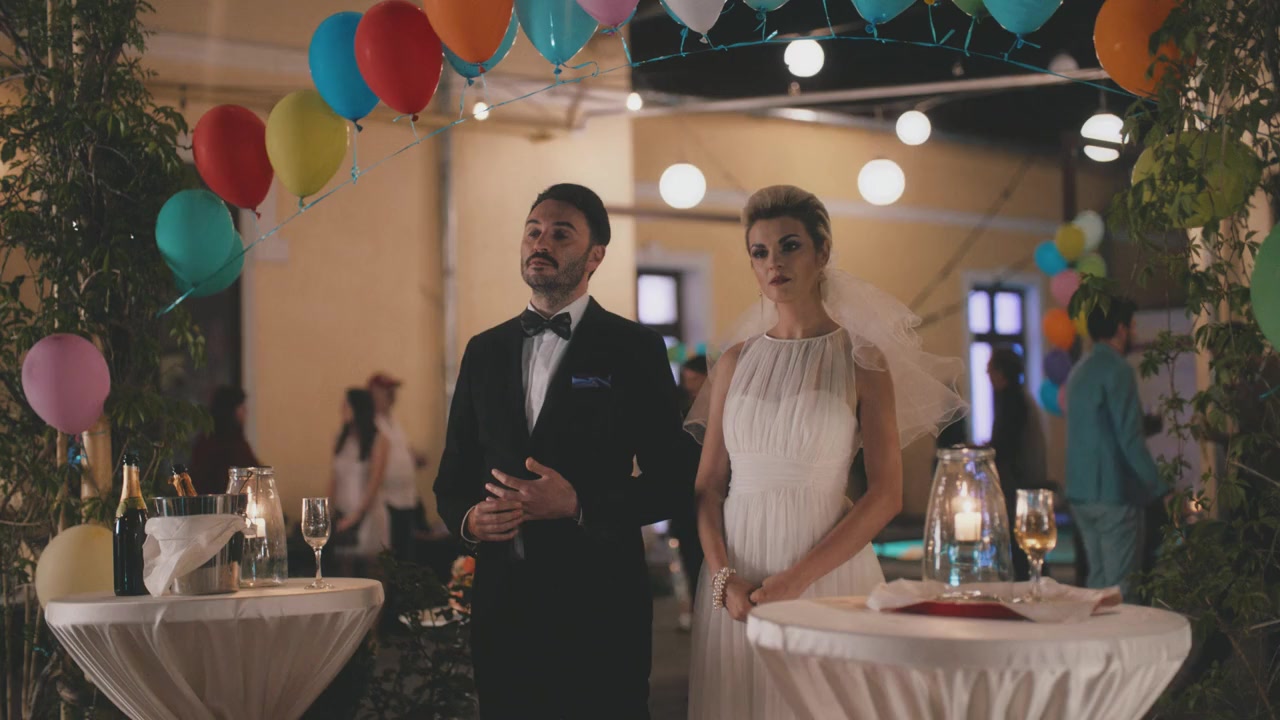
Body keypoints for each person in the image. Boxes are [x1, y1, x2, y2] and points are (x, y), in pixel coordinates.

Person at [686, 186, 966, 719]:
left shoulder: (862, 360)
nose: (774, 263)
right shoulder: (734, 362)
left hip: (826, 573)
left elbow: (886, 494)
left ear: (823, 253)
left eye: (789, 246)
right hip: (735, 578)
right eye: (760, 252)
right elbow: (708, 485)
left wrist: (797, 579)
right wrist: (724, 579)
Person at [433, 183, 695, 719]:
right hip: (504, 604)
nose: (541, 242)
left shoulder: (635, 348)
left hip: (600, 604)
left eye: (560, 234)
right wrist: (471, 520)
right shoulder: (484, 351)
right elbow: (451, 479)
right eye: (533, 231)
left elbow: (672, 481)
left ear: (595, 255)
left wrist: (579, 504)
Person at [1065, 297, 1166, 600]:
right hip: (1113, 492)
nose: (1134, 332)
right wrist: (1161, 487)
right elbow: (1129, 439)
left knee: (1097, 584)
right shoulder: (1118, 370)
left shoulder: (1079, 371)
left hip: (1080, 493)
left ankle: (1094, 634)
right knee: (1122, 590)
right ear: (1121, 329)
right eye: (1132, 326)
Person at [986, 347, 1048, 581]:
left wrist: (985, 451)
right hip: (1023, 482)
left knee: (1023, 546)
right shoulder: (1018, 397)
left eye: (990, 370)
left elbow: (1006, 444)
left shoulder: (1013, 400)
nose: (987, 375)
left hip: (1019, 485)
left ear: (1001, 373)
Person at [365, 372, 425, 563]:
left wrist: (413, 458)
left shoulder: (393, 422)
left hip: (407, 499)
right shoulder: (371, 424)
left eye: (393, 390)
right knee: (392, 557)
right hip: (388, 501)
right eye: (387, 390)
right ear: (374, 393)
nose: (392, 394)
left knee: (406, 556)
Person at [329, 388, 390, 573]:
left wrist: (356, 516)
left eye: (346, 405)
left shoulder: (378, 439)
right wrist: (328, 511)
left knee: (373, 571)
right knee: (344, 569)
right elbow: (334, 479)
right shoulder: (342, 439)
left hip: (368, 513)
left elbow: (375, 481)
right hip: (343, 512)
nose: (342, 410)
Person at [671, 355, 709, 606]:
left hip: (712, 488)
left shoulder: (720, 407)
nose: (690, 385)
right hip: (684, 493)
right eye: (686, 380)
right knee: (691, 558)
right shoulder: (678, 408)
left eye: (695, 379)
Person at [190, 386, 261, 494]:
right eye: (241, 407)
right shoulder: (229, 444)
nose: (245, 412)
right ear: (231, 411)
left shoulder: (209, 440)